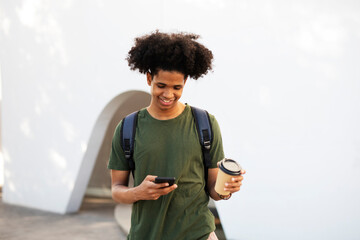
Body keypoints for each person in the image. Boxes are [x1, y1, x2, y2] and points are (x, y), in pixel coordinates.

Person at [108, 31, 246, 240]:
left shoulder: (205, 124)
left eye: (177, 87)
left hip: (198, 234)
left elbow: (214, 190)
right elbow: (116, 190)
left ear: (186, 82)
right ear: (148, 78)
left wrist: (227, 189)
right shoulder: (128, 128)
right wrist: (139, 192)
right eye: (161, 85)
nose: (168, 94)